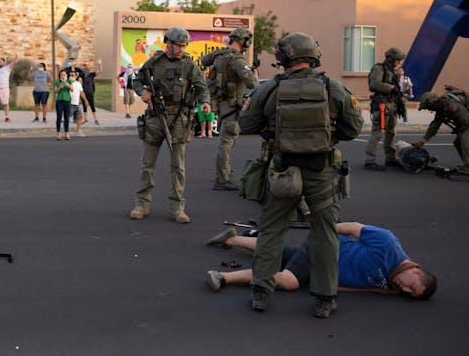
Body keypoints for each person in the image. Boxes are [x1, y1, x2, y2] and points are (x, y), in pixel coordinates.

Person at [238, 32, 363, 317]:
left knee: (271, 230)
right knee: (325, 233)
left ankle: (261, 292)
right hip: (323, 171)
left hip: (282, 169)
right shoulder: (333, 87)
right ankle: (325, 298)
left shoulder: (269, 89)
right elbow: (353, 128)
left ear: (284, 57)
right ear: (313, 55)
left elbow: (246, 122)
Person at [204, 222, 437, 300]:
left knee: (281, 253)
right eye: (411, 286)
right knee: (289, 281)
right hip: (324, 247)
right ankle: (223, 277)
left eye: (409, 294)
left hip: (319, 270)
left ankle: (232, 239)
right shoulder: (388, 245)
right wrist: (324, 229)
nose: (405, 289)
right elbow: (354, 227)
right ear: (416, 272)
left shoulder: (394, 284)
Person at [128, 27, 211, 224]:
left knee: (178, 166)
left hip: (180, 120)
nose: (180, 49)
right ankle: (142, 203)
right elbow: (138, 80)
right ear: (168, 43)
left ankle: (177, 207)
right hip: (156, 116)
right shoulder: (154, 62)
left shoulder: (189, 65)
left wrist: (205, 102)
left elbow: (201, 86)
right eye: (177, 45)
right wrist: (143, 93)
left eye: (183, 46)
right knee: (147, 164)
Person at [200, 27, 259, 191]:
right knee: (226, 143)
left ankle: (224, 172)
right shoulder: (238, 61)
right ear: (244, 42)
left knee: (225, 143)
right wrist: (253, 71)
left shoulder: (219, 54)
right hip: (232, 106)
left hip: (221, 104)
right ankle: (222, 179)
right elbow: (253, 84)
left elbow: (204, 60)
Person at [414, 89, 469, 181]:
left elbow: (467, 122)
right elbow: (435, 125)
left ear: (433, 102)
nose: (430, 110)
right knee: (457, 142)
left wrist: (460, 132)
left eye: (429, 107)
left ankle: (468, 172)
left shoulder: (451, 105)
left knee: (466, 139)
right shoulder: (441, 108)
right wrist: (424, 139)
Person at [364, 47, 406, 171]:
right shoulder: (379, 68)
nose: (399, 63)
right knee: (378, 133)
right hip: (382, 106)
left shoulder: (392, 71)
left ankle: (391, 159)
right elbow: (374, 84)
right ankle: (370, 161)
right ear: (390, 58)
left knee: (391, 133)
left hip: (391, 106)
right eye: (397, 60)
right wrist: (391, 87)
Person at [69, 69, 90, 138]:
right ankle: (66, 132)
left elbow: (81, 92)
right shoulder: (67, 83)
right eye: (70, 75)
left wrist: (86, 100)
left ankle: (78, 131)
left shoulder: (78, 84)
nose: (71, 76)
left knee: (80, 117)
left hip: (77, 104)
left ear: (76, 76)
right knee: (67, 118)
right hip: (69, 104)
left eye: (73, 75)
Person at [81, 59, 102, 125]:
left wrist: (100, 64)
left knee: (92, 106)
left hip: (90, 93)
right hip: (84, 93)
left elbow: (100, 71)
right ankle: (85, 119)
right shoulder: (82, 75)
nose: (86, 66)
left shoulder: (91, 74)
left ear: (89, 66)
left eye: (87, 65)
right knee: (84, 106)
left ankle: (96, 120)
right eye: (85, 65)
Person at [53, 70, 73, 140]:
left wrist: (67, 85)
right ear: (60, 75)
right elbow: (55, 91)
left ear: (66, 75)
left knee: (66, 118)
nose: (63, 76)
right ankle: (58, 133)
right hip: (59, 101)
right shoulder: (57, 82)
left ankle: (66, 133)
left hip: (67, 101)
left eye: (64, 74)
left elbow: (72, 89)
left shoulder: (69, 81)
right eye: (61, 74)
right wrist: (60, 87)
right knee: (59, 117)